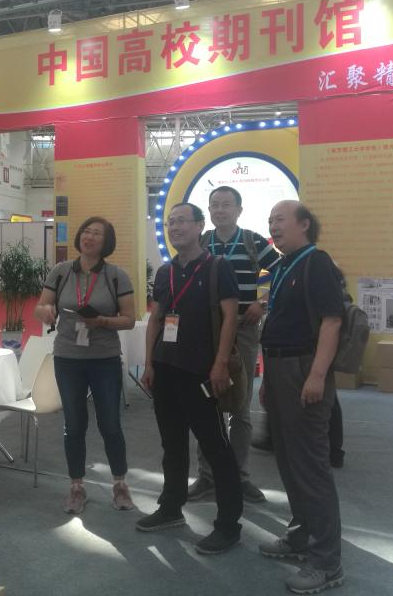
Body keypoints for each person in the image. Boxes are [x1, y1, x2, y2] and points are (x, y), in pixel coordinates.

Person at [137, 202, 243, 555]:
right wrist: (149, 363)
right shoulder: (165, 272)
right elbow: (157, 319)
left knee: (216, 448)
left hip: (202, 371)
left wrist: (220, 363)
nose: (175, 227)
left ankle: (228, 525)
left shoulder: (217, 267)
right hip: (166, 370)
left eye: (182, 221)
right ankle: (171, 508)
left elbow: (230, 318)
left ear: (200, 226)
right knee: (172, 445)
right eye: (171, 222)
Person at [257, 200, 344, 594]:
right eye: (270, 221)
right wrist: (267, 379)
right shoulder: (282, 266)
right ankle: (299, 536)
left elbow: (332, 322)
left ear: (304, 224)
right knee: (289, 462)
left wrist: (317, 376)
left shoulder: (316, 262)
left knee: (310, 466)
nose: (273, 226)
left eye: (280, 220)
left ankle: (327, 563)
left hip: (303, 369)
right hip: (278, 370)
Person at [35, 217, 137, 514]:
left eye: (97, 234)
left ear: (106, 242)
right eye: (86, 232)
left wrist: (101, 321)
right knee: (74, 425)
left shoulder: (116, 276)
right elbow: (41, 305)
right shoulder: (61, 271)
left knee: (110, 424)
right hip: (68, 358)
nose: (89, 237)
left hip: (104, 359)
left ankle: (120, 484)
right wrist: (46, 311)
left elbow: (129, 320)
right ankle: (76, 487)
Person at [188, 186, 278, 505]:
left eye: (226, 205)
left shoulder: (254, 241)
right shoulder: (201, 243)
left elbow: (280, 272)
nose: (220, 210)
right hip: (207, 331)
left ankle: (239, 477)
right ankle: (207, 476)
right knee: (205, 404)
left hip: (244, 329)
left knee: (240, 406)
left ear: (239, 210)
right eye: (214, 205)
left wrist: (261, 303)